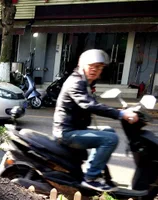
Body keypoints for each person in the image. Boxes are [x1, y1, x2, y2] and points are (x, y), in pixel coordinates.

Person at [53, 49, 140, 192]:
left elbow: (93, 104)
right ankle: (91, 178)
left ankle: (94, 168)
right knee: (110, 139)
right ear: (82, 65)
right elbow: (89, 104)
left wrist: (125, 109)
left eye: (99, 67)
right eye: (91, 66)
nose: (95, 70)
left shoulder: (84, 82)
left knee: (108, 131)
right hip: (66, 133)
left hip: (75, 128)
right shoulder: (76, 82)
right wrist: (121, 114)